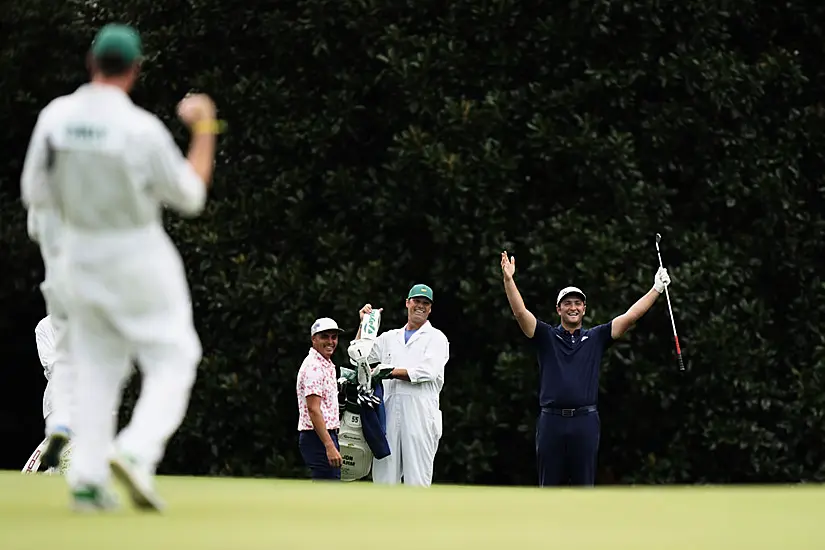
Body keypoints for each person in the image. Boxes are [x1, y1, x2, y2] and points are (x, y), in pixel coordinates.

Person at [19, 23, 219, 512]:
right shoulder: (140, 129)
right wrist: (205, 128)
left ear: (91, 64)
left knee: (97, 367)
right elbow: (190, 196)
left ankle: (87, 478)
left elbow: (34, 194)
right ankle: (135, 450)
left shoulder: (54, 119)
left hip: (78, 260)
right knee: (175, 356)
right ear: (134, 71)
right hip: (137, 255)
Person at [500, 251, 671, 487]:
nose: (573, 307)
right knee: (548, 488)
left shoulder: (596, 337)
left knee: (584, 489)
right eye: (567, 303)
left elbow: (630, 317)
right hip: (551, 421)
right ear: (558, 309)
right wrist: (509, 280)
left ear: (584, 308)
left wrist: (656, 289)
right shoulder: (546, 336)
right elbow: (520, 313)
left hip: (585, 421)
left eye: (577, 303)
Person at [355, 284, 450, 487]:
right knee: (384, 481)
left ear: (430, 309)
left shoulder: (437, 338)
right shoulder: (389, 338)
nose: (421, 306)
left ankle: (417, 519)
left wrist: (387, 371)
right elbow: (359, 358)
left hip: (421, 416)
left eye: (426, 303)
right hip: (388, 415)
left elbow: (427, 371)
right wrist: (364, 325)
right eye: (417, 301)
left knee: (417, 481)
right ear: (407, 303)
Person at [21, 315, 74, 475]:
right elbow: (52, 366)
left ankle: (40, 479)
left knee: (72, 457)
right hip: (60, 399)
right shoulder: (45, 326)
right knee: (68, 453)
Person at [296, 318, 346, 480]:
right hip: (316, 437)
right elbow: (313, 409)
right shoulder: (314, 367)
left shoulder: (324, 363)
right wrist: (329, 445)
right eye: (325, 337)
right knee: (329, 490)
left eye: (334, 337)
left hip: (322, 435)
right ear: (314, 339)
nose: (330, 342)